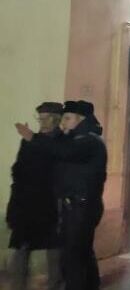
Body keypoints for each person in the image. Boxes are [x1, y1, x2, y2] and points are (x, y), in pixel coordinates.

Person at [15, 100, 107, 290]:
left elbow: (64, 152)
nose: (63, 123)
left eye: (67, 118)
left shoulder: (88, 141)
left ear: (80, 119)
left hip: (80, 206)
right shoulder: (78, 138)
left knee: (72, 258)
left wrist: (33, 137)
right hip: (75, 205)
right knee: (81, 254)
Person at [7, 102, 64, 290]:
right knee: (21, 248)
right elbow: (19, 168)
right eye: (39, 117)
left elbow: (55, 159)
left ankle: (54, 285)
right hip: (26, 203)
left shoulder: (62, 141)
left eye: (45, 117)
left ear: (56, 120)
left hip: (48, 204)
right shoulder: (31, 139)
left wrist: (32, 138)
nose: (41, 121)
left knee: (54, 250)